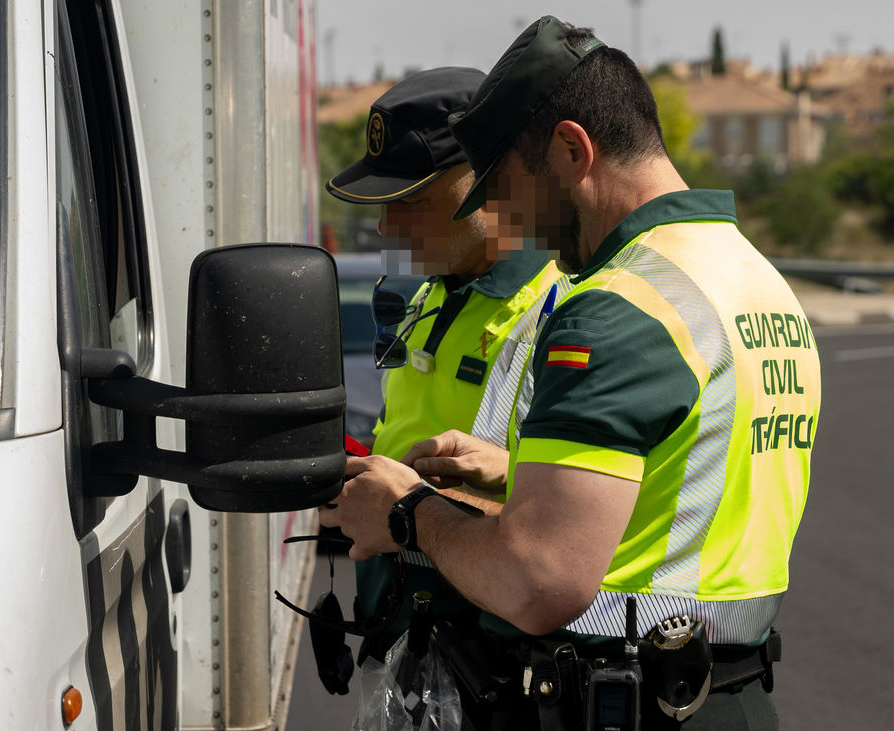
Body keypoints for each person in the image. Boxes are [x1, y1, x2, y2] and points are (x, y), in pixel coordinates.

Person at [321, 17, 820, 730]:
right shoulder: (752, 279)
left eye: (506, 186)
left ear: (571, 149)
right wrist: (521, 474)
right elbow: (685, 491)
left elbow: (537, 580)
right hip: (726, 695)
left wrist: (408, 511)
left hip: (620, 700)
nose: (507, 216)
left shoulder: (619, 308)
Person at [325, 68, 567, 663]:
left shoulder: (566, 311)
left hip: (495, 662)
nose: (387, 227)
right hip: (406, 641)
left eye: (411, 202)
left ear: (492, 178)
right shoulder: (430, 294)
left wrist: (404, 512)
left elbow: (578, 538)